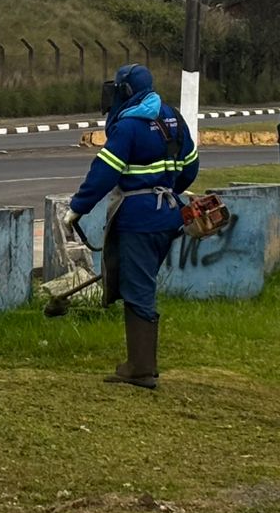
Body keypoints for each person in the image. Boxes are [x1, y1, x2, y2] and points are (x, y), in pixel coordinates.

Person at [62, 64, 198, 388]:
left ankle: (140, 368)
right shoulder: (172, 118)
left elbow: (104, 172)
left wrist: (77, 209)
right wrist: (167, 194)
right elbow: (191, 167)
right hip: (168, 217)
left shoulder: (129, 126)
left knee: (138, 287)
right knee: (141, 280)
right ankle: (141, 363)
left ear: (125, 91)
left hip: (139, 219)